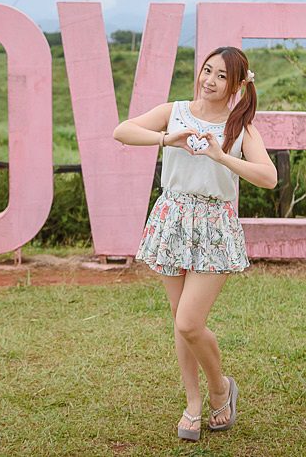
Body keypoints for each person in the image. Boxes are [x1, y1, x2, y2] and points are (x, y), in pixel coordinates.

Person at [112, 46, 277, 442]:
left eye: (222, 76)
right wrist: (169, 139)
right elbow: (123, 131)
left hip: (214, 225)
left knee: (189, 321)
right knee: (180, 322)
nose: (210, 81)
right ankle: (193, 403)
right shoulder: (176, 111)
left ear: (237, 84)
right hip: (172, 217)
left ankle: (220, 388)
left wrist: (222, 157)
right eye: (207, 71)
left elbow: (268, 177)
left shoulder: (242, 128)